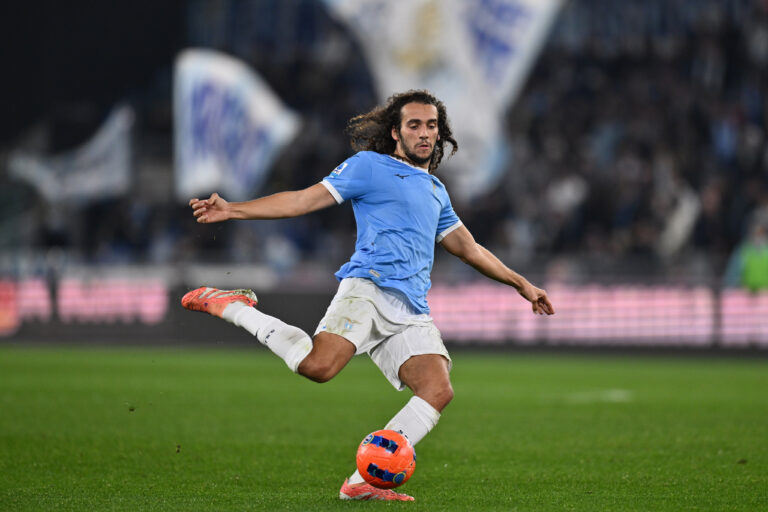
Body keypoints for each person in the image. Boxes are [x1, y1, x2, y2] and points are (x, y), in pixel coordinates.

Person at [181, 89, 555, 501]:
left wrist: (522, 283)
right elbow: (304, 201)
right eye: (414, 125)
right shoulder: (369, 167)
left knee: (438, 390)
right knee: (317, 368)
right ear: (396, 133)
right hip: (369, 288)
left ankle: (362, 482)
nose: (424, 133)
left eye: (431, 125)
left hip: (411, 307)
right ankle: (233, 307)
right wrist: (234, 209)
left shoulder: (436, 191)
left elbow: (468, 248)